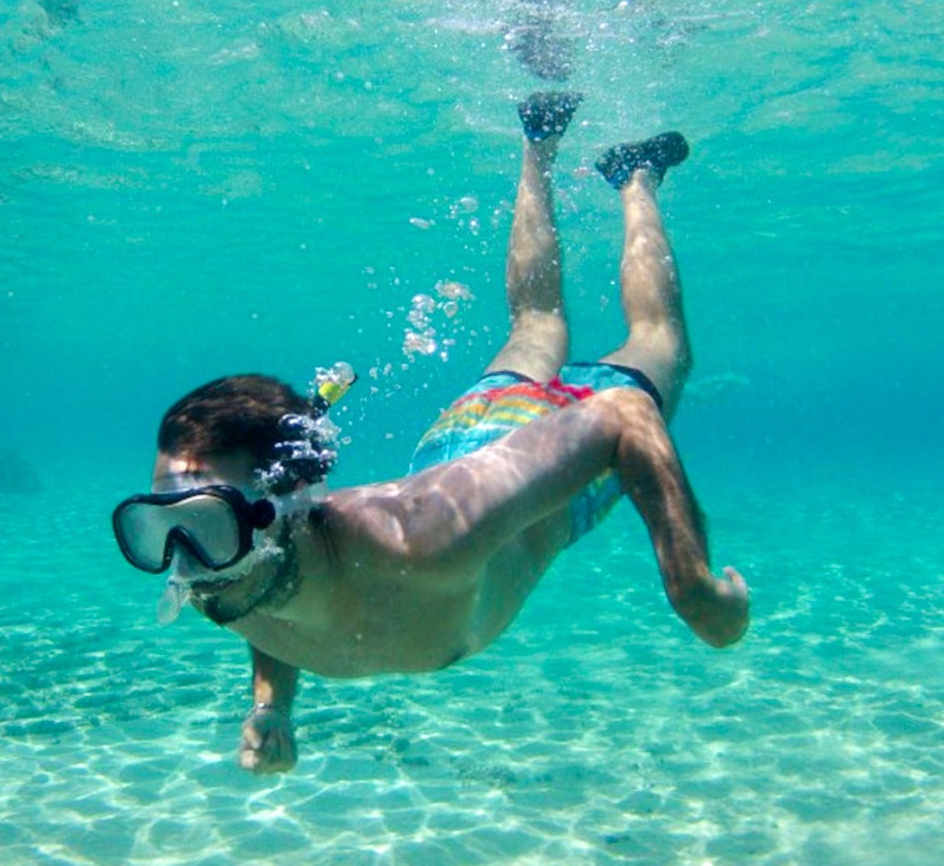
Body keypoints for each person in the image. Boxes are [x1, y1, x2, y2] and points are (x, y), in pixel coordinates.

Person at [111, 93, 749, 775]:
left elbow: (625, 418)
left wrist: (692, 589)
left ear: (285, 503)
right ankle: (538, 143)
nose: (182, 564)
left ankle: (635, 177)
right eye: (158, 529)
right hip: (458, 445)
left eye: (205, 527)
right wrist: (272, 706)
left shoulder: (420, 543)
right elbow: (264, 596)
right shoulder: (231, 570)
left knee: (656, 346)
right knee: (535, 326)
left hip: (515, 478)